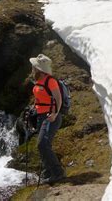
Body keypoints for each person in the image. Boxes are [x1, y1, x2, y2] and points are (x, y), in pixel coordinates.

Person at [29, 53, 66, 184]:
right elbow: (41, 97)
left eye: (34, 67)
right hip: (41, 116)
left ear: (39, 69)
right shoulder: (39, 81)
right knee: (44, 145)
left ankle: (58, 173)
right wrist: (34, 107)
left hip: (50, 117)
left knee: (42, 144)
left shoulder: (51, 81)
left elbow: (58, 99)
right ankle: (48, 172)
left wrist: (55, 113)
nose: (32, 68)